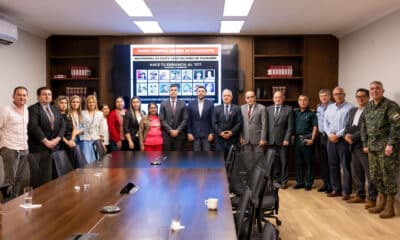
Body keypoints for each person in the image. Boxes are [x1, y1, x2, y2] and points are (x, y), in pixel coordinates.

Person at [361, 81, 400, 218]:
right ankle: (381, 202)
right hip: (372, 148)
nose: (374, 91)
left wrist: (390, 144)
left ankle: (390, 207)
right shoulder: (368, 106)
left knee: (387, 176)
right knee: (375, 176)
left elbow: (396, 127)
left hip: (386, 148)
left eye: (377, 88)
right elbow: (363, 126)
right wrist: (365, 143)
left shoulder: (391, 106)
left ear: (382, 91)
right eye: (372, 89)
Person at [344, 88, 377, 208]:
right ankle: (360, 195)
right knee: (357, 172)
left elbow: (368, 128)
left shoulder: (372, 110)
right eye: (358, 96)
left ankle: (372, 198)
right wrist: (346, 135)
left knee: (370, 173)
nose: (360, 98)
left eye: (363, 96)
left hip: (365, 146)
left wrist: (352, 137)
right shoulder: (353, 110)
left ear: (368, 97)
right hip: (352, 145)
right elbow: (348, 125)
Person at [28, 87, 65, 187]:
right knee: (39, 177)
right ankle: (38, 199)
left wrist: (57, 139)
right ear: (38, 97)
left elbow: (62, 125)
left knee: (52, 176)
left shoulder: (54, 108)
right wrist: (46, 142)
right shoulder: (33, 109)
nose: (47, 96)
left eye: (49, 94)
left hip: (54, 146)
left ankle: (49, 198)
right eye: (44, 94)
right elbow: (33, 127)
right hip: (39, 148)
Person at [324, 87, 353, 199]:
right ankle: (336, 189)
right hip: (330, 139)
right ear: (333, 95)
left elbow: (348, 125)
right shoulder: (330, 107)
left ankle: (347, 192)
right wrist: (329, 135)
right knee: (333, 165)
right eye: (335, 94)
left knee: (345, 166)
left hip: (343, 140)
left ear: (344, 94)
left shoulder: (350, 108)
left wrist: (337, 135)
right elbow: (325, 122)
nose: (338, 96)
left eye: (340, 93)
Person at [0, 86, 30, 197]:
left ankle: (15, 200)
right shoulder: (6, 110)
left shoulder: (27, 110)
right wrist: (3, 144)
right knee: (10, 179)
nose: (22, 97)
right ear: (13, 96)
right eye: (19, 94)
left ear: (27, 97)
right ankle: (7, 205)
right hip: (10, 148)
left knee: (19, 178)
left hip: (24, 148)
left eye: (24, 95)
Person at [266, 91, 293, 189]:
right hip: (270, 141)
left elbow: (290, 127)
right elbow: (266, 125)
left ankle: (284, 181)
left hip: (283, 141)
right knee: (273, 161)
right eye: (276, 97)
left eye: (279, 97)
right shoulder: (268, 109)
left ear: (283, 98)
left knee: (284, 161)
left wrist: (287, 139)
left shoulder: (289, 109)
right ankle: (276, 180)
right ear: (273, 98)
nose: (277, 99)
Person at [293, 95, 318, 191]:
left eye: (304, 100)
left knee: (309, 162)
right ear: (298, 101)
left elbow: (315, 127)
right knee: (298, 162)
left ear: (307, 102)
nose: (302, 102)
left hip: (307, 138)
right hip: (297, 139)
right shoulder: (295, 112)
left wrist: (312, 139)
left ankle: (308, 183)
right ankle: (300, 182)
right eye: (300, 100)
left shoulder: (312, 113)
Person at [55, 96, 85, 168]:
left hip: (71, 141)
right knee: (64, 166)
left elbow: (74, 129)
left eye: (65, 103)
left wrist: (72, 139)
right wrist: (67, 142)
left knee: (75, 164)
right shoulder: (56, 116)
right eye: (61, 103)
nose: (64, 105)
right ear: (57, 104)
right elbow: (57, 132)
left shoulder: (69, 115)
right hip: (61, 142)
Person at [212, 89, 242, 156]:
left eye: (228, 96)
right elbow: (214, 123)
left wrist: (231, 132)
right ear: (222, 97)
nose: (226, 97)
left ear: (231, 97)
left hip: (233, 139)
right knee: (219, 162)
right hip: (220, 140)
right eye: (224, 96)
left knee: (232, 161)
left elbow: (239, 123)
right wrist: (220, 133)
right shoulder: (216, 108)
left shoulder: (237, 108)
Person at [159, 84, 188, 151]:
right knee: (167, 156)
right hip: (167, 135)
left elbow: (185, 119)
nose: (173, 92)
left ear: (178, 92)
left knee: (179, 157)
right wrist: (170, 130)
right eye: (171, 90)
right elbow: (162, 119)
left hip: (179, 135)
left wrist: (177, 130)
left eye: (175, 90)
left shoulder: (183, 103)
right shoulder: (163, 104)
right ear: (169, 92)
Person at [187, 86, 214, 151]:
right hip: (195, 134)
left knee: (207, 156)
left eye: (202, 91)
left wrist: (211, 133)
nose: (200, 93)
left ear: (205, 93)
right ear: (196, 93)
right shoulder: (191, 104)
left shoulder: (210, 104)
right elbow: (188, 120)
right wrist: (189, 132)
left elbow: (213, 120)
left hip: (207, 135)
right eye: (199, 91)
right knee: (196, 156)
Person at [80, 95, 106, 163]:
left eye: (93, 102)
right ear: (87, 103)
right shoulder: (82, 113)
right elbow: (80, 126)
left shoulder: (100, 113)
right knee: (86, 160)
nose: (91, 104)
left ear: (95, 103)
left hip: (96, 139)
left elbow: (102, 128)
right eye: (89, 102)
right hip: (85, 139)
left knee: (96, 160)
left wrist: (102, 143)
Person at [316, 89, 333, 193]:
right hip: (320, 136)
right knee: (322, 161)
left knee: (330, 161)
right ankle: (325, 183)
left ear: (330, 96)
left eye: (325, 96)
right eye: (321, 96)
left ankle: (332, 184)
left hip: (329, 136)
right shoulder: (319, 107)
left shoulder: (334, 107)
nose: (323, 98)